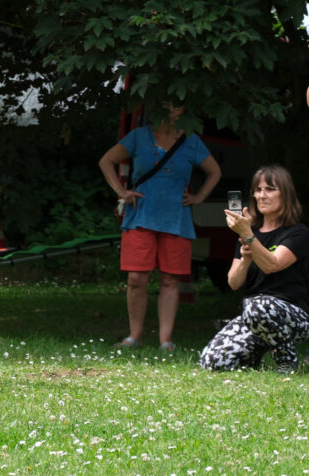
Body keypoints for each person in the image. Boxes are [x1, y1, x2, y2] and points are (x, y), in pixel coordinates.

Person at [98, 104, 221, 351]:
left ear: (184, 110)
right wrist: (121, 192)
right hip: (140, 216)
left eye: (176, 106)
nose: (171, 111)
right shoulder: (139, 136)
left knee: (170, 280)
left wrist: (198, 197)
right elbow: (106, 161)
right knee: (136, 279)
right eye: (165, 105)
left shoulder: (191, 140)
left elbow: (215, 172)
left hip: (176, 218)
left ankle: (166, 340)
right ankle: (135, 336)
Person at [200, 165, 309, 373]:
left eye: (270, 189)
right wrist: (245, 258)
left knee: (257, 306)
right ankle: (253, 359)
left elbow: (272, 265)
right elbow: (233, 283)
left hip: (294, 317)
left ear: (285, 194)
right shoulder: (249, 233)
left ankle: (287, 361)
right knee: (212, 361)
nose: (262, 195)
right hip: (254, 317)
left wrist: (249, 236)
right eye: (258, 190)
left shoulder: (298, 233)